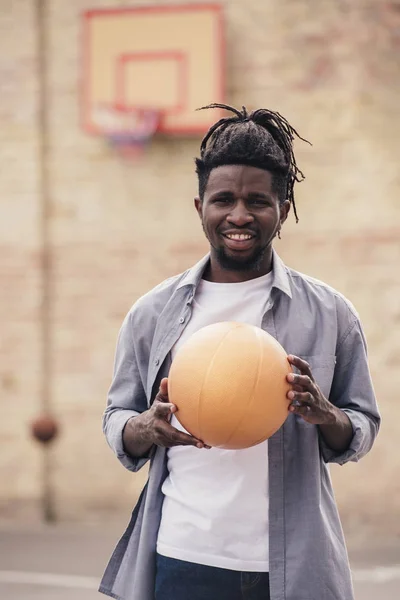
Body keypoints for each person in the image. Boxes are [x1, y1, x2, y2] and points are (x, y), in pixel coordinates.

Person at [99, 104, 380, 600]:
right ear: (200, 207)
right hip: (185, 557)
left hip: (296, 567)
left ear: (284, 208)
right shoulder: (153, 313)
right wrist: (147, 425)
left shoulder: (331, 314)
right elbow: (117, 418)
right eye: (223, 199)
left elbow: (361, 427)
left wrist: (324, 413)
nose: (240, 215)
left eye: (258, 201)